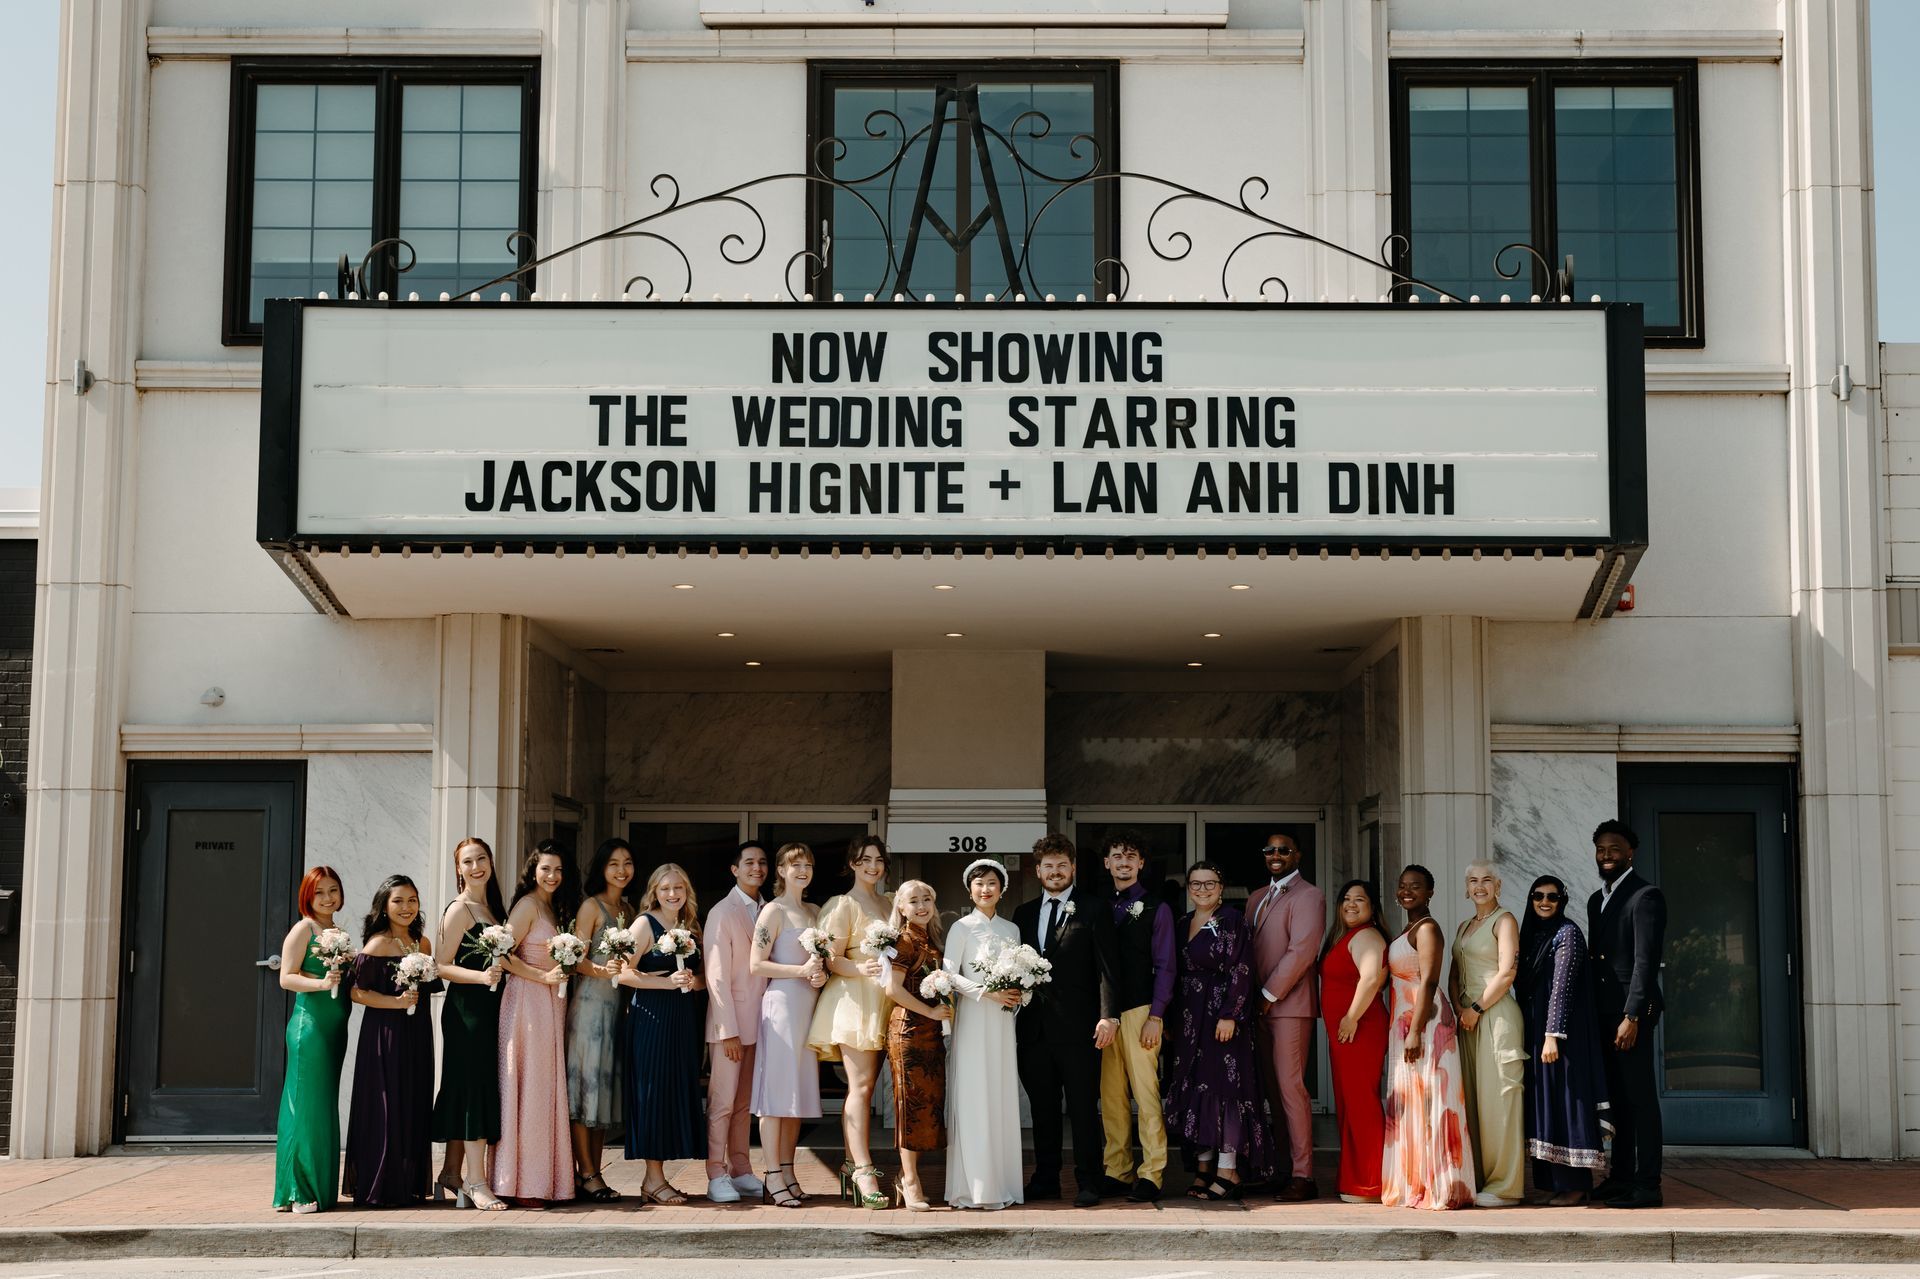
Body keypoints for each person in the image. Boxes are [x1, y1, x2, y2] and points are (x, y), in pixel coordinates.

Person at [1012, 832, 1118, 1208]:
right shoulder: (1022, 914)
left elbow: (1107, 968)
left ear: (1072, 868)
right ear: (1037, 870)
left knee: (1083, 1110)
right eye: (1047, 866)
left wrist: (1109, 1017)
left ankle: (1089, 1180)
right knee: (1043, 1111)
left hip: (1081, 1029)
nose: (1055, 872)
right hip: (1034, 1031)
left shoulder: (1093, 908)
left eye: (1061, 865)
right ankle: (1046, 1178)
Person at [1162, 860, 1274, 1200]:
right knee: (1196, 1089)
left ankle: (1229, 1169)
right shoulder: (1182, 924)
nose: (1202, 890)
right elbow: (1170, 972)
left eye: (1209, 884)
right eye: (1195, 884)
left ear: (1221, 888)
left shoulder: (1232, 922)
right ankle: (1204, 1166)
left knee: (1224, 1091)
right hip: (1187, 1019)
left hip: (1220, 1017)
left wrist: (1231, 1015)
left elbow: (1242, 970)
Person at [805, 835, 896, 1209]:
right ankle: (862, 1168)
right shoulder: (843, 904)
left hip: (887, 999)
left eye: (878, 860)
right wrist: (861, 967)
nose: (872, 866)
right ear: (852, 864)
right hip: (854, 1000)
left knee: (871, 1085)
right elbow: (831, 958)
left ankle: (848, 1162)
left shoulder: (890, 903)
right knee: (860, 1087)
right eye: (864, 860)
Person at [1380, 864, 1476, 1211]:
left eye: (1416, 886)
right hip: (1404, 1023)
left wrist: (1417, 1031)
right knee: (1412, 1103)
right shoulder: (1407, 927)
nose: (1407, 891)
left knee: (1434, 1101)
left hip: (1427, 1023)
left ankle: (1443, 1185)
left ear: (1430, 892)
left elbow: (1430, 981)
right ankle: (1414, 1181)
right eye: (1402, 886)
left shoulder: (1428, 929)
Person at [342, 874, 440, 1206]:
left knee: (412, 1102)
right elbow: (356, 992)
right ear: (384, 905)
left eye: (412, 900)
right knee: (386, 1108)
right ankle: (378, 1187)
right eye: (398, 901)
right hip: (384, 1037)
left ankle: (407, 1185)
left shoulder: (422, 944)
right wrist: (395, 1003)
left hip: (417, 1035)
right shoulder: (377, 944)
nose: (406, 907)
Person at [493, 840, 578, 1207]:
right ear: (533, 869)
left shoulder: (552, 906)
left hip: (550, 1004)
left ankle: (548, 1180)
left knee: (547, 1087)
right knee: (529, 1087)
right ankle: (523, 1183)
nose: (553, 876)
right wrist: (542, 977)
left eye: (558, 870)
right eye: (546, 868)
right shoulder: (527, 905)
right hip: (527, 1001)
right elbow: (502, 953)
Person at [1587, 819, 1667, 1209]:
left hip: (1631, 1012)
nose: (1606, 855)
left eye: (1614, 849)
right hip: (1603, 1011)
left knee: (1640, 1099)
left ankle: (1648, 1184)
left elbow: (1644, 962)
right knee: (1617, 1099)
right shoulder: (1595, 899)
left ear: (1629, 853)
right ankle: (1620, 1178)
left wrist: (1632, 1016)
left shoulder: (1645, 896)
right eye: (1601, 849)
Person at [1517, 873, 1610, 1205]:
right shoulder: (1534, 934)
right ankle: (1556, 1182)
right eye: (1538, 896)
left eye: (1552, 897)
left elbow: (1562, 990)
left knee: (1566, 1102)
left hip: (1560, 1039)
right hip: (1536, 1033)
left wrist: (1552, 1036)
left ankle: (1576, 1184)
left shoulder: (1567, 934)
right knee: (1547, 1105)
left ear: (1562, 902)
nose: (1544, 902)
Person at [618, 862, 707, 1204]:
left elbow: (700, 979)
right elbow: (623, 974)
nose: (673, 894)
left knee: (672, 1091)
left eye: (679, 888)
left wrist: (691, 982)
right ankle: (652, 1180)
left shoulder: (689, 926)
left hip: (682, 1018)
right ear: (654, 892)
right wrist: (665, 983)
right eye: (666, 888)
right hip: (651, 1017)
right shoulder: (645, 924)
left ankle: (658, 1178)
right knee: (652, 1093)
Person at [1246, 831, 1326, 1200]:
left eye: (1284, 850)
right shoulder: (1257, 898)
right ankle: (1278, 1168)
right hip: (1256, 1008)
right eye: (1270, 850)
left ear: (1298, 854)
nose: (1276, 855)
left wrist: (1267, 995)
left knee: (1292, 1090)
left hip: (1289, 1007)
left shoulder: (1309, 896)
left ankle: (1303, 1174)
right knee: (1272, 1093)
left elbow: (1302, 951)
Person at [431, 837, 509, 1211]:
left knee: (472, 1087)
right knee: (473, 1089)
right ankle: (476, 1182)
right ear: (458, 869)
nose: (476, 866)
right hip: (467, 1013)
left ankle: (451, 1173)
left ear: (490, 863)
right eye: (467, 862)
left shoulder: (491, 908)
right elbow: (439, 965)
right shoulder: (460, 909)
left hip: (492, 1010)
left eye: (481, 859)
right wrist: (481, 978)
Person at [943, 858, 1025, 1209]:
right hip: (975, 1017)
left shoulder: (1012, 930)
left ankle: (1003, 1182)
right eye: (979, 884)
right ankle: (974, 1187)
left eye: (992, 883)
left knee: (1000, 1093)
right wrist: (986, 992)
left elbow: (1021, 970)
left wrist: (1020, 993)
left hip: (1003, 1021)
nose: (985, 889)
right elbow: (949, 975)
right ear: (970, 889)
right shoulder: (960, 928)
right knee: (975, 1094)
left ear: (1001, 888)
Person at [1098, 828, 1175, 1202]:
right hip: (1104, 1014)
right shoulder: (1097, 904)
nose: (1123, 862)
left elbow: (1166, 965)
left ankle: (1152, 1172)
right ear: (1107, 862)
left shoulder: (1157, 907)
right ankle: (1117, 1169)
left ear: (1141, 863)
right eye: (1117, 855)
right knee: (1110, 1096)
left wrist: (1156, 1015)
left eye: (1131, 856)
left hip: (1142, 1010)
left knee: (1146, 1095)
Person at [749, 842, 828, 1207]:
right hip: (780, 1005)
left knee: (797, 1095)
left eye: (808, 865)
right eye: (795, 865)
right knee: (775, 1096)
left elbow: (820, 963)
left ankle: (789, 1169)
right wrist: (798, 971)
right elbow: (756, 964)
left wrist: (817, 975)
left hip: (807, 1006)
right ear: (781, 870)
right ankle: (771, 1175)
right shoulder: (773, 912)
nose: (803, 871)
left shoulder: (814, 912)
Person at [272, 866, 351, 1214]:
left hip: (336, 1028)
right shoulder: (303, 929)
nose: (327, 898)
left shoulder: (338, 932)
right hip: (310, 1028)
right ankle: (298, 1190)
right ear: (307, 895)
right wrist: (321, 984)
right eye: (319, 892)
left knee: (322, 1108)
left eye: (333, 890)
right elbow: (286, 978)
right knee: (304, 1106)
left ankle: (320, 1186)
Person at [1450, 861, 1527, 1207]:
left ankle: (1506, 1186)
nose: (1478, 886)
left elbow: (1507, 971)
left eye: (1485, 880)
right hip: (1467, 1019)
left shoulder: (1505, 919)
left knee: (1500, 1102)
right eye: (1472, 881)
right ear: (1466, 888)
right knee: (1474, 1101)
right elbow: (1454, 971)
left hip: (1494, 1015)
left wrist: (1476, 1008)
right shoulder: (1465, 925)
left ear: (1498, 884)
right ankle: (1479, 1178)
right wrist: (1458, 1008)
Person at [567, 837, 635, 1203]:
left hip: (617, 1010)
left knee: (602, 1094)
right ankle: (587, 1172)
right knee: (584, 1090)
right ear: (601, 869)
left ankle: (592, 1171)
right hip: (591, 1008)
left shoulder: (627, 907)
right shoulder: (591, 907)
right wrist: (600, 968)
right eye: (614, 864)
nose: (621, 870)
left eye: (627, 863)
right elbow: (574, 958)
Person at [703, 841, 770, 1204]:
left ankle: (741, 1168)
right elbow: (716, 976)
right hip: (730, 1026)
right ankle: (716, 1172)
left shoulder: (768, 909)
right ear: (734, 869)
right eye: (748, 862)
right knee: (723, 1103)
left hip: (760, 1023)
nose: (756, 868)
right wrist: (726, 1029)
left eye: (761, 862)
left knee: (745, 1103)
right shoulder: (722, 912)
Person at [879, 879, 952, 1210]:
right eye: (913, 901)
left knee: (928, 1108)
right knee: (909, 1107)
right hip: (907, 1033)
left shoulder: (933, 939)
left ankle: (908, 1176)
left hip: (932, 1034)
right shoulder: (901, 940)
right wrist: (932, 1012)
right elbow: (892, 989)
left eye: (927, 899)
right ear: (900, 907)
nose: (921, 906)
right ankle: (908, 1180)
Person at [1320, 879, 1390, 1204]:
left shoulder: (1367, 935)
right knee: (1349, 1103)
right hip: (1347, 1033)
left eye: (1359, 899)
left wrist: (1351, 1016)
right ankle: (1355, 1179)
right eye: (1345, 898)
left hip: (1359, 1029)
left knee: (1361, 1102)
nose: (1350, 904)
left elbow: (1372, 976)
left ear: (1372, 907)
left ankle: (1371, 1183)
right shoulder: (1346, 936)